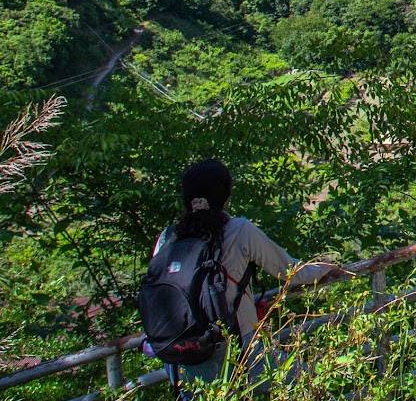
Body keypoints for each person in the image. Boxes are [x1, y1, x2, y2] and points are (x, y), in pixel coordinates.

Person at [146, 159, 349, 387]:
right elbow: (291, 272)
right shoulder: (238, 230)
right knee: (310, 381)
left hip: (178, 358)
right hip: (237, 352)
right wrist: (327, 268)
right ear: (226, 196)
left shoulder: (167, 238)